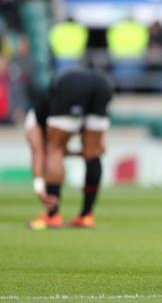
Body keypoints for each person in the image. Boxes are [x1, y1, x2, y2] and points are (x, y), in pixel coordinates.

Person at [25, 67, 113, 230]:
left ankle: (52, 216)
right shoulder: (48, 111)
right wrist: (79, 152)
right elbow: (100, 149)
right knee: (92, 153)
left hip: (71, 86)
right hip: (102, 84)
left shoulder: (32, 121)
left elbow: (39, 153)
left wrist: (39, 187)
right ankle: (86, 216)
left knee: (54, 150)